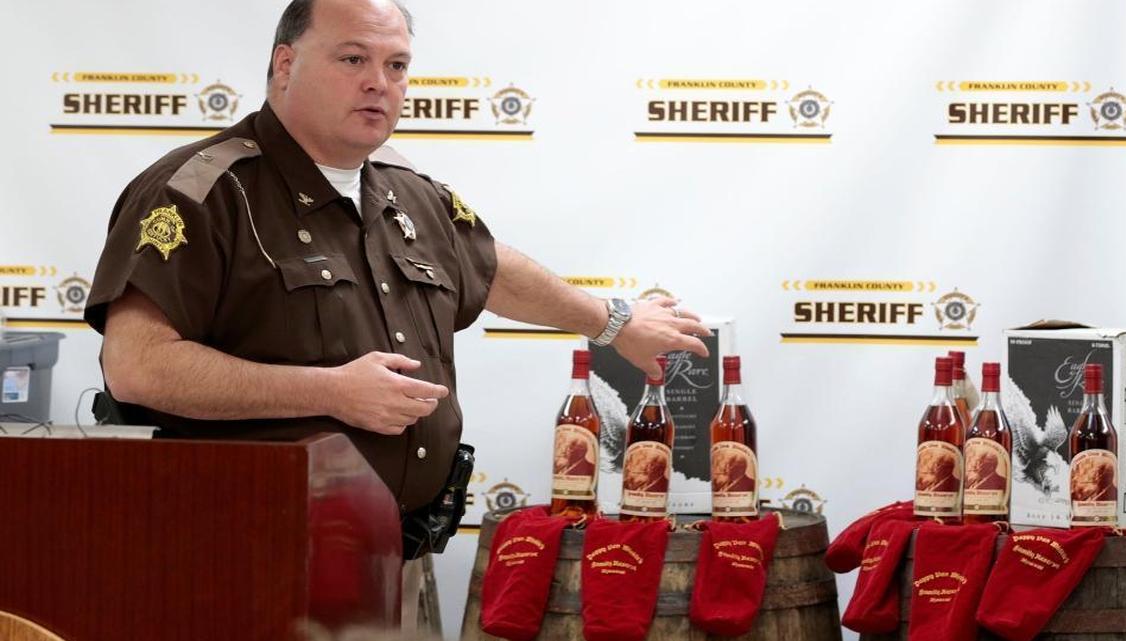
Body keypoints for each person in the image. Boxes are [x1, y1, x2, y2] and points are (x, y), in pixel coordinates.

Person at [85, 0, 710, 523]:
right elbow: (138, 366)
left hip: (391, 550)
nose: (378, 83)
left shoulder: (406, 189)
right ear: (285, 64)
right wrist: (331, 393)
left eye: (397, 65)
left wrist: (612, 321)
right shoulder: (202, 191)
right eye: (353, 58)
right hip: (239, 547)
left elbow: (489, 269)